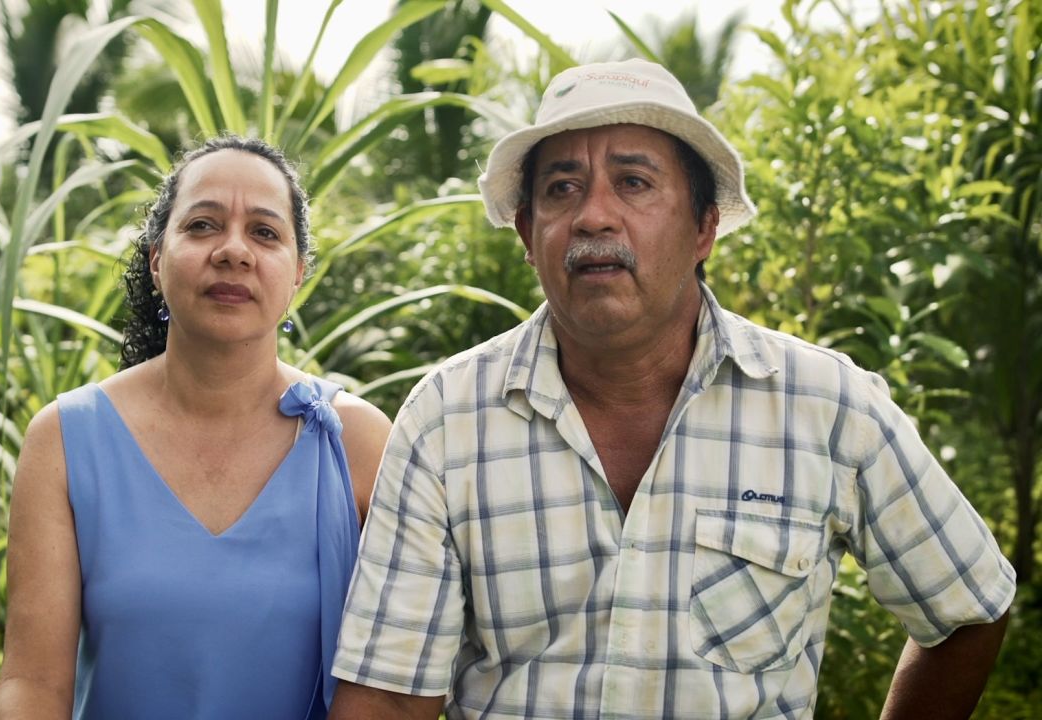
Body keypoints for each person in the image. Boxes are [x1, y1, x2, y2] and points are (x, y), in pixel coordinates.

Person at [329, 59, 1015, 719]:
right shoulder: (448, 421)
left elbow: (967, 609)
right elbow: (390, 697)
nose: (594, 216)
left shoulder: (825, 405)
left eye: (634, 182)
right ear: (526, 233)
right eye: (561, 189)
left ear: (704, 227)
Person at [0, 135, 392, 719]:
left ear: (299, 272)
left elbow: (396, 681)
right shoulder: (66, 438)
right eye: (202, 225)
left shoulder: (355, 442)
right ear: (157, 260)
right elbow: (32, 682)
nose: (233, 251)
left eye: (264, 232)